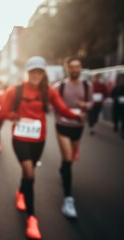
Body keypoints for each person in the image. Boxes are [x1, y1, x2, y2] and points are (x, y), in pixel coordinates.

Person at [0, 56, 83, 239]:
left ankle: (21, 192)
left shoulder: (49, 92)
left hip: (39, 139)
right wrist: (14, 116)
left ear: (43, 73)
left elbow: (61, 109)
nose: (36, 75)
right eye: (32, 71)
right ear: (27, 72)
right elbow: (3, 112)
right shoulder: (16, 91)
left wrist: (77, 117)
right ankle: (31, 218)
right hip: (20, 138)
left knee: (27, 173)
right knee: (30, 173)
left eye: (39, 71)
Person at [54, 57, 93, 219]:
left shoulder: (87, 85)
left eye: (78, 67)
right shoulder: (60, 86)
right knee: (69, 158)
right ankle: (68, 199)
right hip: (63, 126)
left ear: (81, 68)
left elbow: (91, 102)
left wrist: (85, 107)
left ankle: (63, 169)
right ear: (67, 69)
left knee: (70, 159)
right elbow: (53, 105)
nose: (76, 70)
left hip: (78, 127)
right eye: (72, 67)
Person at [111, 74, 124, 139]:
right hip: (117, 106)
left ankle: (122, 131)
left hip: (123, 107)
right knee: (116, 117)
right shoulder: (116, 88)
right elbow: (112, 95)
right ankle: (116, 126)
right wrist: (116, 98)